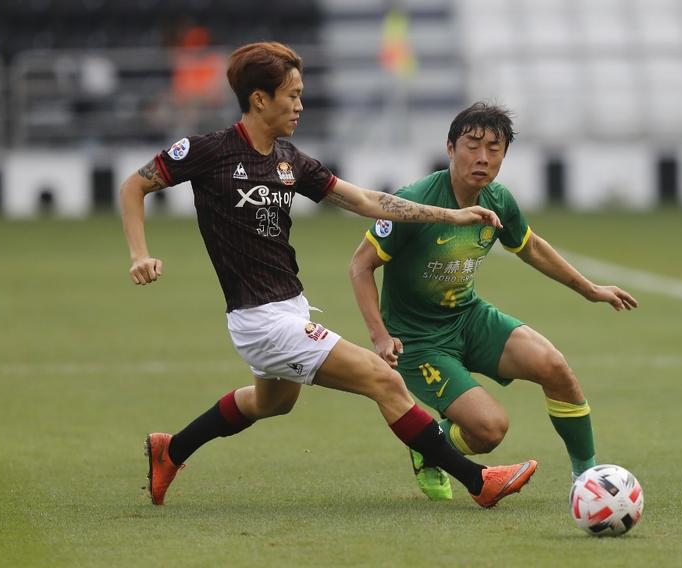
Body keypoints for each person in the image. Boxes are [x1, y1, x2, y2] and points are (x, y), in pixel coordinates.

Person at [120, 43, 538, 509]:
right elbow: (134, 184)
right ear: (260, 99)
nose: (300, 105)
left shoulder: (288, 160)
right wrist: (140, 253)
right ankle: (479, 481)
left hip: (290, 306)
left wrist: (449, 215)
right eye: (292, 95)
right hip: (261, 321)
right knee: (385, 381)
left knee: (271, 403)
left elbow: (362, 200)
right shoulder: (209, 151)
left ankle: (170, 450)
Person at [349, 102, 639, 501]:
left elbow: (531, 247)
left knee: (554, 367)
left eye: (495, 148)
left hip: (469, 318)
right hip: (418, 341)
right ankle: (427, 448)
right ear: (450, 148)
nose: (483, 157)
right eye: (472, 145)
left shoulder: (498, 199)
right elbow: (360, 267)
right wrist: (380, 336)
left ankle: (587, 481)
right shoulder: (414, 201)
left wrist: (590, 289)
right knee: (489, 431)